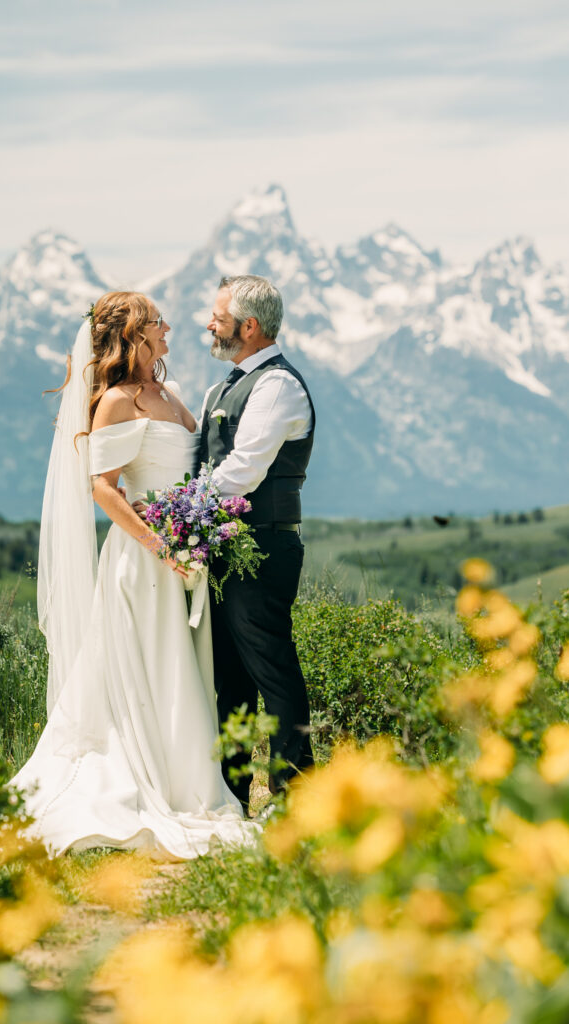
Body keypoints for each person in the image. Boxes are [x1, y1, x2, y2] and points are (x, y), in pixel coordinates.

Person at [10, 291, 256, 858]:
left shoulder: (168, 394)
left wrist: (197, 532)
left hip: (178, 555)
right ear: (134, 335)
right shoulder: (117, 401)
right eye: (157, 322)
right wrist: (160, 545)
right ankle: (143, 783)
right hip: (142, 560)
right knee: (149, 667)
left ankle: (184, 777)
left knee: (177, 669)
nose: (169, 327)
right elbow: (103, 488)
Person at [198, 275, 316, 810]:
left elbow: (243, 470)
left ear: (249, 326)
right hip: (222, 551)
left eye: (218, 317)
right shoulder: (220, 388)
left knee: (272, 670)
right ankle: (233, 794)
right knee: (231, 679)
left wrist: (182, 511)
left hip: (264, 548)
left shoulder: (278, 386)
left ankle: (297, 794)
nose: (210, 324)